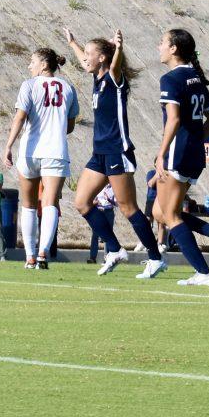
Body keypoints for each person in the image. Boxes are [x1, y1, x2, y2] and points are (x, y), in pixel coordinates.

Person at [64, 28, 166, 278]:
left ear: (103, 58)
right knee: (82, 202)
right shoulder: (97, 78)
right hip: (99, 152)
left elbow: (115, 65)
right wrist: (73, 43)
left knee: (128, 207)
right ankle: (115, 249)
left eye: (90, 54)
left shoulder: (113, 78)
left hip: (117, 151)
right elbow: (84, 60)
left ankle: (155, 257)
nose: (85, 58)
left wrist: (119, 48)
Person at [152, 28, 209, 286]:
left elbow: (173, 119)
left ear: (173, 49)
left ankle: (204, 273)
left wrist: (161, 154)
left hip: (178, 153)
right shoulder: (195, 78)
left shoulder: (170, 79)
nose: (159, 46)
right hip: (193, 153)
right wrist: (195, 142)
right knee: (160, 212)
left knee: (170, 216)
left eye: (162, 42)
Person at [2, 47, 79, 269]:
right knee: (50, 203)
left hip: (30, 151)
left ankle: (30, 255)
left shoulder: (29, 85)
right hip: (56, 151)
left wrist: (9, 145)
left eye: (32, 61)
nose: (29, 66)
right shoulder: (68, 87)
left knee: (28, 204)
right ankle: (44, 252)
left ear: (44, 64)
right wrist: (53, 129)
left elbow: (20, 117)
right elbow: (70, 125)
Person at [88, 183, 117, 263]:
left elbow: (117, 203)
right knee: (95, 234)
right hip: (98, 210)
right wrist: (94, 202)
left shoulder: (113, 187)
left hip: (109, 212)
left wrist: (109, 199)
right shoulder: (97, 186)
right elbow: (90, 199)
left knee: (108, 235)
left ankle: (107, 258)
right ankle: (92, 257)